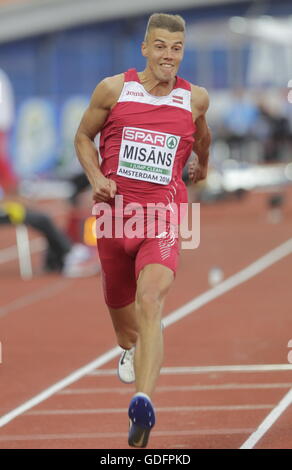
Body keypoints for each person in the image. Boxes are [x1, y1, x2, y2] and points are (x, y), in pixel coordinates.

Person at [74, 12, 211, 448]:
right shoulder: (113, 89)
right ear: (145, 48)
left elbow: (203, 137)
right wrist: (96, 178)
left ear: (182, 52)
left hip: (163, 218)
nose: (168, 57)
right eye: (160, 47)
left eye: (176, 49)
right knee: (124, 327)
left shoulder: (195, 99)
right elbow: (82, 137)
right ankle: (130, 350)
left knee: (151, 300)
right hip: (114, 221)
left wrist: (200, 166)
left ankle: (143, 403)